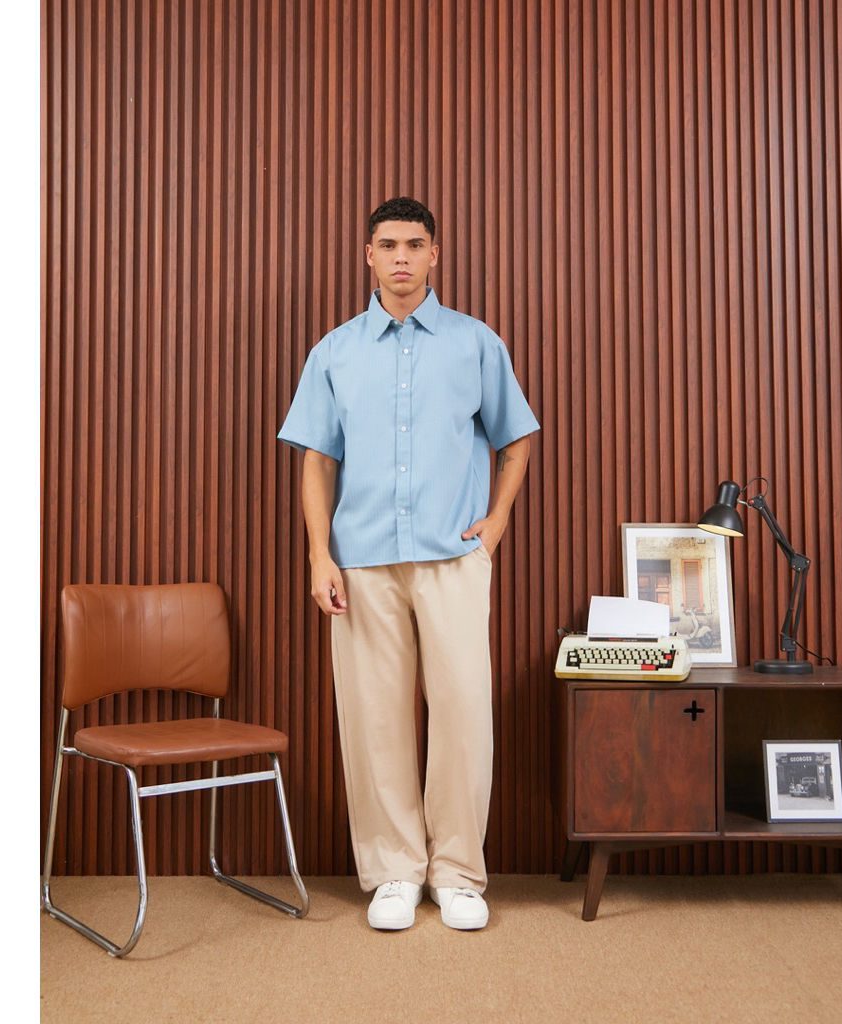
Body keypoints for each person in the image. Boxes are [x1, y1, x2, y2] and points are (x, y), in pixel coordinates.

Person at [278, 196, 539, 931]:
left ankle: (456, 874)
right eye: (387, 244)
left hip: (454, 557)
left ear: (434, 254)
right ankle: (394, 872)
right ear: (368, 255)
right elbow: (316, 460)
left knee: (463, 713)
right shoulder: (334, 352)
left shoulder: (475, 343)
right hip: (361, 561)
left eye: (414, 244)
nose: (400, 257)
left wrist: (495, 524)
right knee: (375, 719)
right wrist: (319, 554)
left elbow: (516, 437)